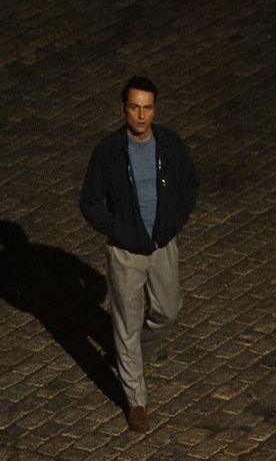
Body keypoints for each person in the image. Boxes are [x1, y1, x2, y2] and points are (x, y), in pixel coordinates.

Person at [79, 76, 199, 433]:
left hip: (162, 245)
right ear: (124, 109)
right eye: (135, 107)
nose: (141, 115)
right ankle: (136, 400)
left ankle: (140, 357)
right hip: (126, 252)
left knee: (167, 310)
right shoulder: (109, 151)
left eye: (147, 107)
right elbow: (89, 201)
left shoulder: (170, 145)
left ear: (154, 109)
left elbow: (189, 185)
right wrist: (119, 231)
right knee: (127, 324)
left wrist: (171, 224)